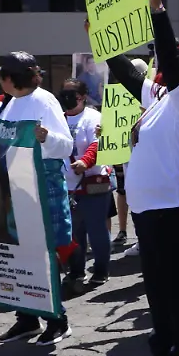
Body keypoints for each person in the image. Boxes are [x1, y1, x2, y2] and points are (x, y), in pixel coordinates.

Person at [102, 0, 179, 356]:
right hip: (150, 212)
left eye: (172, 64)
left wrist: (158, 12)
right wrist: (104, 42)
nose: (160, 65)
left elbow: (166, 54)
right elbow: (130, 77)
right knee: (157, 293)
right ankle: (163, 353)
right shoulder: (161, 98)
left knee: (178, 294)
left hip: (174, 210)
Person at [0, 52, 76, 346]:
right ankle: (27, 317)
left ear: (11, 78)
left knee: (44, 253)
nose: (0, 80)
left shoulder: (45, 101)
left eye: (2, 75)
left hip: (42, 181)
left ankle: (57, 319)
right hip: (16, 183)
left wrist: (46, 137)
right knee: (19, 253)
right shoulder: (9, 104)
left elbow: (66, 146)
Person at [60, 78, 112, 287]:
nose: (66, 98)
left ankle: (101, 269)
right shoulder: (58, 118)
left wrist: (85, 161)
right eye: (64, 93)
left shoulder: (94, 117)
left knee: (96, 230)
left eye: (71, 94)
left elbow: (97, 143)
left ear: (82, 97)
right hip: (68, 186)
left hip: (93, 183)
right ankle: (77, 270)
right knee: (74, 232)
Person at [111, 59, 148, 252]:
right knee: (127, 193)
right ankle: (134, 235)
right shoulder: (119, 99)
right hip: (126, 157)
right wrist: (106, 134)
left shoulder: (150, 99)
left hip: (145, 161)